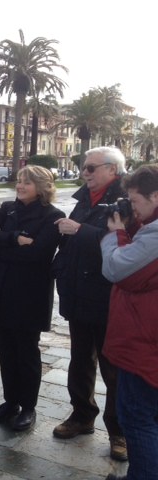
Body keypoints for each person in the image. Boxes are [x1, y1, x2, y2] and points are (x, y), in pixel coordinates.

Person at [52, 146, 127, 461]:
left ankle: (119, 432)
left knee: (114, 369)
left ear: (112, 170)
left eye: (91, 167)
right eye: (84, 167)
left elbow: (123, 240)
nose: (85, 172)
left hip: (107, 295)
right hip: (78, 293)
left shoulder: (124, 201)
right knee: (80, 359)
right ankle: (82, 415)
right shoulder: (83, 199)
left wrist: (79, 230)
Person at [0, 166, 65, 431]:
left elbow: (38, 254)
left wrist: (4, 246)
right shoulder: (7, 209)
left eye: (26, 182)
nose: (20, 186)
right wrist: (15, 238)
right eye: (19, 181)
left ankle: (28, 407)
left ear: (41, 186)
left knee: (26, 353)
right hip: (2, 291)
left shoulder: (53, 216)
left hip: (29, 295)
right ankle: (10, 402)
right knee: (5, 351)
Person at [101, 165, 158, 480]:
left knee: (137, 420)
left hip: (143, 347)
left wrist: (115, 234)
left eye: (135, 201)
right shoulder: (150, 226)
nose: (131, 207)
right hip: (146, 341)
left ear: (155, 196)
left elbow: (118, 269)